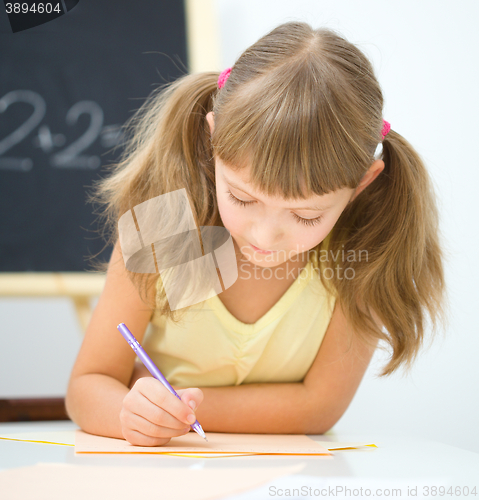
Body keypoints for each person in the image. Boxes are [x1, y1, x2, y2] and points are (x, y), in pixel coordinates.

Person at [65, 21, 446, 447]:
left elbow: (319, 408)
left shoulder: (361, 259)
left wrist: (179, 409)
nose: (266, 236)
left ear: (362, 182)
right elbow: (88, 385)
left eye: (305, 216)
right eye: (243, 199)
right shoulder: (162, 230)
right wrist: (128, 413)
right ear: (213, 141)